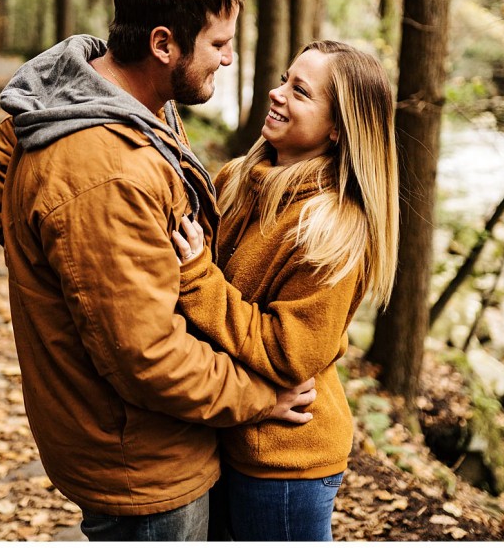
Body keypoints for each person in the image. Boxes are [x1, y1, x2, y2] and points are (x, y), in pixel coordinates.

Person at [0, 0, 316, 542]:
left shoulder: (129, 106)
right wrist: (260, 398)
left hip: (150, 440)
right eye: (218, 45)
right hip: (141, 465)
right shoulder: (104, 170)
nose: (230, 59)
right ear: (163, 44)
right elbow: (147, 359)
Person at [171, 40, 400, 541]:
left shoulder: (333, 229)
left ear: (340, 129)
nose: (277, 94)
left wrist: (198, 280)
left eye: (300, 91)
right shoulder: (236, 178)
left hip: (284, 459)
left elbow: (290, 350)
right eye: (283, 79)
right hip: (224, 432)